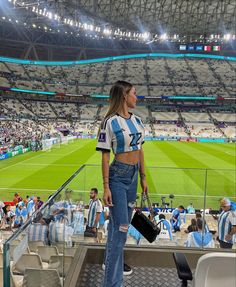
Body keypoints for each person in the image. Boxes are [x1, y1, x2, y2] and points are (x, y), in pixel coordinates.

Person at [96, 80, 147, 286]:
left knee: (118, 232)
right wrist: (106, 186)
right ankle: (111, 283)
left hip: (133, 177)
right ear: (125, 96)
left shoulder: (138, 120)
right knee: (121, 232)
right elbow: (105, 157)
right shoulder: (109, 122)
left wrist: (143, 177)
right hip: (117, 177)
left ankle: (114, 280)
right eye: (134, 93)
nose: (137, 97)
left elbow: (141, 150)